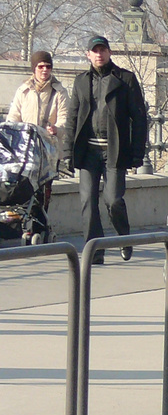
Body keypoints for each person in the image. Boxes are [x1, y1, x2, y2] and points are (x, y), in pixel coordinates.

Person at [59, 34, 148, 264]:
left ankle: (123, 238)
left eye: (103, 50)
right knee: (88, 201)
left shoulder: (125, 79)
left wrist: (138, 152)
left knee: (113, 200)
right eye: (94, 51)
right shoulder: (81, 81)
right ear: (88, 55)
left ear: (109, 53)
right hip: (88, 151)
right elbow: (72, 119)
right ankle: (95, 252)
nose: (99, 54)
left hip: (114, 150)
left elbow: (139, 118)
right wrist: (67, 152)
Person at [7, 50, 65, 220]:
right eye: (40, 67)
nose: (44, 70)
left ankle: (41, 221)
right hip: (26, 150)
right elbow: (13, 117)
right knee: (25, 188)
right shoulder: (24, 90)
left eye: (48, 66)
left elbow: (66, 119)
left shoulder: (59, 91)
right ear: (34, 68)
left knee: (43, 191)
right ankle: (25, 220)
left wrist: (57, 129)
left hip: (49, 151)